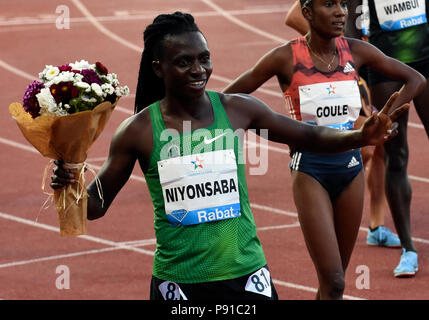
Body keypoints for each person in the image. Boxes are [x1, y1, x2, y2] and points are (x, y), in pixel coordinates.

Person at [51, 11, 406, 300]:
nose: (198, 70)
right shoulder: (139, 130)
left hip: (246, 275)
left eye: (204, 59)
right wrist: (67, 179)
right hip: (180, 284)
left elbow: (309, 135)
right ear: (159, 68)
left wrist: (360, 135)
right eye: (184, 61)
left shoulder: (238, 111)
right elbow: (95, 206)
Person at [223, 0, 425, 298]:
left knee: (334, 285)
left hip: (351, 170)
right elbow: (227, 99)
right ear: (307, 12)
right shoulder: (284, 58)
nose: (341, 12)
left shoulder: (356, 51)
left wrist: (383, 118)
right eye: (329, 4)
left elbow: (415, 78)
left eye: (343, 4)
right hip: (310, 172)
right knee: (334, 281)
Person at [286, 0, 400, 249]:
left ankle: (376, 224)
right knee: (364, 146)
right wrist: (331, 41)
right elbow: (294, 15)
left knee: (379, 145)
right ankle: (324, 202)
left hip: (374, 64)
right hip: (347, 68)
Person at [347, 0, 429, 277]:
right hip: (386, 65)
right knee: (397, 153)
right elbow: (353, 22)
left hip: (426, 55)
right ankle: (409, 249)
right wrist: (352, 76)